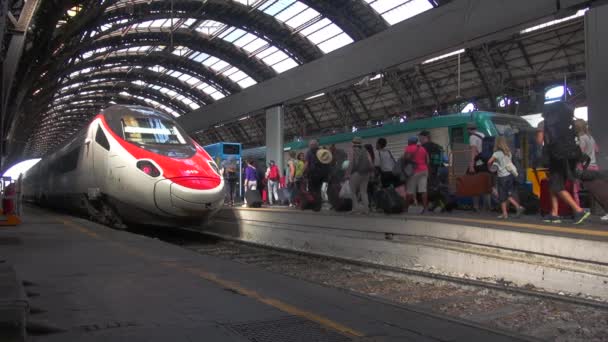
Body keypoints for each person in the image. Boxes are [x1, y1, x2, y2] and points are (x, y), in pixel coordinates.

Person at [543, 102, 590, 224]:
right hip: (567, 158)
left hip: (557, 158)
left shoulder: (552, 124)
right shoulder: (568, 123)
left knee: (557, 187)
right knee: (553, 186)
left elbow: (544, 141)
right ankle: (554, 213)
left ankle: (578, 210)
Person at [488, 136, 525, 219]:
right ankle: (505, 214)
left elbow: (489, 161)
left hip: (502, 177)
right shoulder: (508, 152)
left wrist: (489, 167)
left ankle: (518, 207)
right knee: (504, 195)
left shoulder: (496, 153)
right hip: (510, 176)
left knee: (503, 195)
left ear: (497, 143)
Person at [467, 122, 492, 211]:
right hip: (485, 162)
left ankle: (476, 206)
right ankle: (488, 206)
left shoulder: (472, 137)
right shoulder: (482, 135)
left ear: (468, 130)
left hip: (478, 164)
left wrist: (471, 164)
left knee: (475, 185)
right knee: (486, 185)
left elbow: (473, 151)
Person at [347, 137, 373, 214]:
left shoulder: (352, 150)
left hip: (356, 173)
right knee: (363, 191)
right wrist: (371, 173)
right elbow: (370, 162)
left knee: (353, 191)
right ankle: (366, 209)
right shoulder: (365, 150)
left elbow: (351, 163)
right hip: (366, 173)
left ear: (353, 142)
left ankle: (355, 209)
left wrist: (347, 174)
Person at [404, 136, 429, 212]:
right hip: (424, 170)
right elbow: (427, 160)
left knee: (410, 191)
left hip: (414, 171)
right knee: (423, 190)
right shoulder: (422, 148)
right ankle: (425, 208)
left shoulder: (409, 148)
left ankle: (405, 208)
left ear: (410, 142)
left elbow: (406, 158)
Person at [304, 140, 330, 209]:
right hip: (321, 174)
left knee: (312, 189)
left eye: (311, 145)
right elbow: (327, 162)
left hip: (313, 174)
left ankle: (314, 204)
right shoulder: (322, 151)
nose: (310, 146)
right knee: (318, 189)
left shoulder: (309, 152)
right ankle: (318, 204)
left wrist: (303, 172)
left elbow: (306, 163)